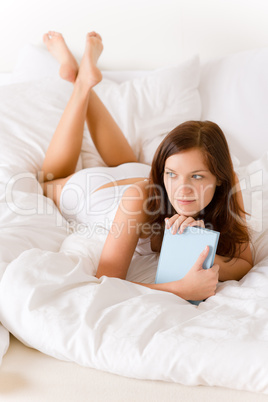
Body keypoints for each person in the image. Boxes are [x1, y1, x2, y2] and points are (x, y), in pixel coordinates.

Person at [41, 31, 253, 302]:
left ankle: (82, 76)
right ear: (162, 170)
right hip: (99, 191)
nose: (183, 189)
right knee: (47, 180)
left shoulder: (228, 183)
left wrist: (201, 251)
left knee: (128, 161)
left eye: (197, 176)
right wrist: (180, 288)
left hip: (137, 172)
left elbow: (245, 261)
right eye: (172, 174)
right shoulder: (138, 199)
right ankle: (82, 85)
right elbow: (106, 281)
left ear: (220, 178)